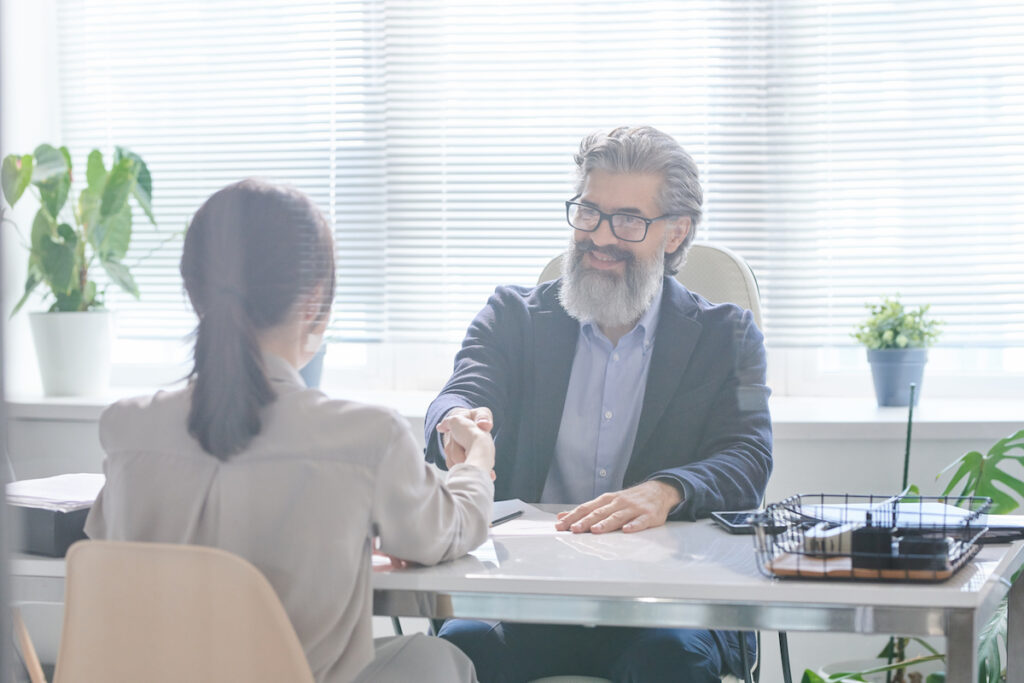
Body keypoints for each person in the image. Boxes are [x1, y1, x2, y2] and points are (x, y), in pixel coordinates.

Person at [86, 179, 495, 683]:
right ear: (314, 299)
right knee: (440, 659)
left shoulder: (127, 429)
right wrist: (476, 464)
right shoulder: (366, 436)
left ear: (194, 292)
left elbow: (108, 554)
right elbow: (447, 532)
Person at [424, 126, 772, 682]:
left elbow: (748, 456)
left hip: (669, 599)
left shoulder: (726, 335)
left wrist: (667, 490)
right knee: (461, 648)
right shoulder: (512, 315)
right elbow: (466, 388)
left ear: (676, 233)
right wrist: (455, 420)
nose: (600, 237)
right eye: (589, 212)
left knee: (672, 661)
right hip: (528, 592)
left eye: (628, 220)